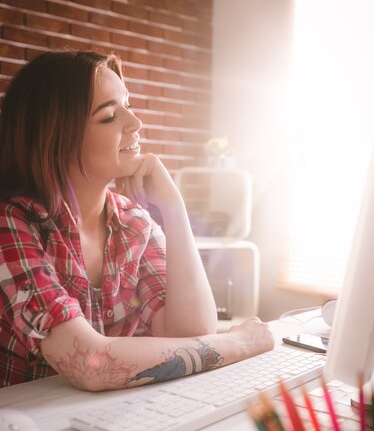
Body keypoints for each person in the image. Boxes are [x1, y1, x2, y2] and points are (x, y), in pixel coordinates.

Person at [0, 50, 274, 389]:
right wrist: (237, 343)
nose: (135, 123)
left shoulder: (133, 222)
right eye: (109, 116)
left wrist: (174, 209)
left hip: (117, 414)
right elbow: (92, 363)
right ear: (55, 138)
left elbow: (191, 334)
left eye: (127, 106)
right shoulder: (11, 225)